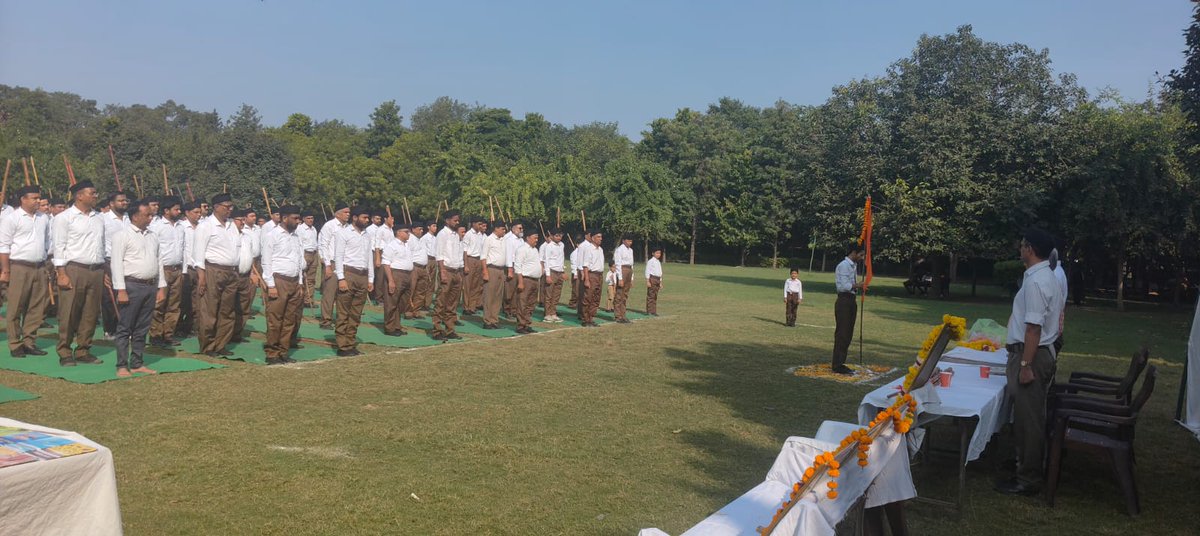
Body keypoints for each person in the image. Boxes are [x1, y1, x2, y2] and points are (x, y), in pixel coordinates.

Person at [995, 228, 1065, 496]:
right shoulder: (1044, 276)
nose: (1020, 248)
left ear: (1031, 249)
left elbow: (1034, 328)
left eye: (1022, 244)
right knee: (1026, 416)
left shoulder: (1037, 281)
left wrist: (1025, 366)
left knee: (1029, 419)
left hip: (1031, 355)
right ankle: (1023, 465)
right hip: (1033, 352)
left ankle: (1029, 478)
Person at [52, 180, 107, 366]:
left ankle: (84, 349)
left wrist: (104, 270)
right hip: (74, 269)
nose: (95, 196)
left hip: (96, 270)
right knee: (69, 311)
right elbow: (59, 247)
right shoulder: (64, 218)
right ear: (79, 195)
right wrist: (61, 273)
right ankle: (65, 351)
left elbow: (102, 246)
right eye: (92, 193)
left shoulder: (99, 218)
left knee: (91, 312)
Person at [110, 199, 166, 377]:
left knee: (142, 327)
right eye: (147, 215)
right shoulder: (122, 236)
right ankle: (121, 364)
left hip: (150, 286)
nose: (150, 218)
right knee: (125, 327)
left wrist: (161, 286)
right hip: (131, 285)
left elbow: (159, 261)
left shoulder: (153, 235)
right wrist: (121, 289)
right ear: (135, 216)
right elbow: (116, 263)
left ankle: (137, 363)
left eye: (151, 215)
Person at [0, 185, 51, 357]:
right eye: (34, 198)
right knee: (15, 307)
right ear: (23, 199)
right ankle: (15, 344)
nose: (38, 201)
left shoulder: (43, 218)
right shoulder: (12, 218)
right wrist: (6, 270)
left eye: (39, 198)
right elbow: (4, 246)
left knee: (36, 307)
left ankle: (29, 342)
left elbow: (47, 241)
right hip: (19, 267)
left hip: (39, 266)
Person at [194, 193, 242, 357]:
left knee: (227, 310)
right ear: (216, 207)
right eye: (226, 207)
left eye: (231, 206)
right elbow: (198, 254)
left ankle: (221, 344)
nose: (229, 210)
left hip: (231, 272)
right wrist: (201, 277)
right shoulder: (206, 226)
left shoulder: (232, 225)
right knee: (209, 310)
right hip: (212, 270)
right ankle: (208, 346)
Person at [261, 205, 305, 365]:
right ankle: (272, 352)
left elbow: (299, 260)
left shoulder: (296, 236)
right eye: (295, 218)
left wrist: (300, 282)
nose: (298, 221)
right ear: (284, 218)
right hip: (278, 280)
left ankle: (283, 351)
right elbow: (266, 261)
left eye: (298, 218)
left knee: (289, 319)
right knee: (275, 318)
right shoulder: (272, 235)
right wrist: (270, 285)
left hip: (294, 281)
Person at [332, 206, 374, 356]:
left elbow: (369, 256)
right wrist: (341, 278)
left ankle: (350, 343)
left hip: (362, 275)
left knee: (356, 313)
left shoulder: (367, 235)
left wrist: (370, 278)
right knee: (344, 312)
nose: (367, 220)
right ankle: (342, 346)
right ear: (355, 218)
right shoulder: (343, 233)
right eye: (364, 217)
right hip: (349, 273)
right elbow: (338, 256)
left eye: (368, 218)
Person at [149, 196, 186, 347]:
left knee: (174, 304)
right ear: (166, 211)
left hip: (177, 269)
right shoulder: (156, 227)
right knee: (159, 304)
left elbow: (184, 249)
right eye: (176, 209)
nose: (179, 212)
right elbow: (153, 250)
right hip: (162, 269)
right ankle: (156, 335)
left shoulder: (180, 227)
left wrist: (183, 271)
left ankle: (168, 334)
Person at [101, 190, 130, 339]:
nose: (124, 203)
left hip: (128, 261)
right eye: (120, 201)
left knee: (127, 295)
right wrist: (104, 267)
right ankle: (110, 329)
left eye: (125, 200)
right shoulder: (103, 219)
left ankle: (124, 328)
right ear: (111, 204)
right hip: (110, 261)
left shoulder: (129, 219)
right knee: (109, 297)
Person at [831, 244, 864, 375]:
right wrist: (858, 285)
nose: (862, 258)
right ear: (854, 252)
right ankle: (837, 364)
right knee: (843, 333)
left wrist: (857, 287)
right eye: (861, 255)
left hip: (851, 300)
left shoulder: (853, 266)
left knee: (848, 333)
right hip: (844, 300)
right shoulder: (844, 265)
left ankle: (841, 361)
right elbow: (844, 286)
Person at [433, 211, 464, 340]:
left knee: (452, 302)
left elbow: (458, 252)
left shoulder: (456, 235)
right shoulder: (442, 234)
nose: (457, 223)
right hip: (446, 270)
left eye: (458, 220)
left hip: (456, 271)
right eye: (455, 220)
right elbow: (439, 254)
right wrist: (443, 272)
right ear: (447, 221)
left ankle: (450, 329)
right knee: (441, 301)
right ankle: (437, 330)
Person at [318, 204, 350, 329]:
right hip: (331, 262)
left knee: (343, 292)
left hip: (344, 263)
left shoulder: (348, 227)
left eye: (349, 212)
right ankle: (326, 320)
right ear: (337, 213)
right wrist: (327, 265)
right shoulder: (329, 226)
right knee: (329, 292)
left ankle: (341, 319)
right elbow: (323, 245)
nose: (348, 214)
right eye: (345, 212)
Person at [381, 222, 414, 336]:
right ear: (398, 232)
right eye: (406, 232)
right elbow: (386, 263)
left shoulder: (407, 245)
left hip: (407, 274)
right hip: (396, 274)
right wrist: (390, 280)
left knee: (402, 302)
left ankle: (397, 325)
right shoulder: (392, 245)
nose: (408, 234)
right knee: (391, 302)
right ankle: (389, 327)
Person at [177, 201, 203, 339]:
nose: (199, 215)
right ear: (187, 213)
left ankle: (191, 326)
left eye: (200, 212)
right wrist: (183, 270)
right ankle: (179, 327)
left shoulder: (202, 227)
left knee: (197, 300)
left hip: (198, 269)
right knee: (183, 300)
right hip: (186, 269)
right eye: (196, 212)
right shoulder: (182, 227)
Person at [480, 220, 508, 330]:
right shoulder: (489, 239)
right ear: (496, 229)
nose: (504, 231)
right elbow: (483, 257)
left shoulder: (504, 240)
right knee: (489, 295)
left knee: (498, 296)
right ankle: (487, 320)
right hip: (491, 269)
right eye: (502, 229)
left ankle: (494, 319)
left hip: (501, 270)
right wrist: (485, 272)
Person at [514, 229, 543, 334]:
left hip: (535, 280)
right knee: (523, 302)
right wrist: (521, 282)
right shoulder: (522, 249)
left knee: (531, 303)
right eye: (534, 238)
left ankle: (527, 323)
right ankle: (521, 325)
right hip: (526, 279)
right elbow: (518, 266)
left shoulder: (535, 249)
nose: (536, 240)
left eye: (537, 238)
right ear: (527, 238)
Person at [539, 228, 565, 323]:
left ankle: (553, 313)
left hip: (559, 272)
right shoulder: (549, 246)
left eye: (560, 235)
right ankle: (547, 314)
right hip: (552, 271)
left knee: (556, 294)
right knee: (549, 294)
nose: (559, 238)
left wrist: (563, 272)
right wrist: (548, 275)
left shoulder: (562, 245)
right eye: (557, 236)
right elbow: (547, 261)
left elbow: (561, 259)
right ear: (552, 236)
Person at [406, 221, 430, 319]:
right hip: (414, 267)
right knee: (411, 289)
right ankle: (407, 310)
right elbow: (408, 254)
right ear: (413, 230)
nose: (421, 231)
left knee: (420, 291)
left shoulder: (421, 240)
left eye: (422, 229)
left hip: (423, 268)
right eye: (419, 229)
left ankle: (416, 310)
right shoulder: (410, 239)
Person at [463, 216, 486, 314]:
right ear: (473, 224)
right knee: (468, 284)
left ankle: (472, 306)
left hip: (478, 260)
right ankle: (466, 306)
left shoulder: (480, 235)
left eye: (481, 224)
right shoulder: (468, 234)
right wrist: (466, 265)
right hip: (470, 259)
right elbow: (465, 250)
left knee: (476, 285)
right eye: (479, 224)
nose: (480, 226)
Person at [580, 231, 604, 326]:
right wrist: (586, 279)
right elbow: (585, 265)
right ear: (593, 238)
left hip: (599, 275)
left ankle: (591, 317)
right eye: (598, 237)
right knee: (588, 297)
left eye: (601, 237)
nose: (600, 239)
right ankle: (585, 319)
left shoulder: (600, 250)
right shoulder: (588, 249)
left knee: (596, 298)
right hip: (592, 275)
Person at [297, 211, 319, 308]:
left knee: (311, 279)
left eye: (312, 218)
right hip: (304, 253)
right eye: (308, 218)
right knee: (301, 277)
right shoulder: (300, 229)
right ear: (304, 219)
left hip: (313, 254)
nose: (311, 220)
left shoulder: (314, 229)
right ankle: (298, 299)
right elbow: (299, 244)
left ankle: (308, 300)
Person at [612, 234, 635, 323]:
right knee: (619, 294)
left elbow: (632, 264)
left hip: (629, 270)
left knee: (625, 294)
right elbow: (618, 264)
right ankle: (618, 316)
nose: (630, 242)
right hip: (622, 270)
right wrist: (620, 278)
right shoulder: (619, 250)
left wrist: (632, 277)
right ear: (623, 241)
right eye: (628, 241)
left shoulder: (631, 250)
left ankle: (623, 314)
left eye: (631, 241)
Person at [503, 222, 523, 317]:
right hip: (512, 265)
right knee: (509, 290)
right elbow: (509, 255)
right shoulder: (509, 239)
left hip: (519, 265)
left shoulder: (521, 240)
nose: (521, 230)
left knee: (517, 290)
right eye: (520, 228)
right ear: (513, 229)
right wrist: (510, 269)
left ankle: (514, 309)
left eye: (522, 228)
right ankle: (507, 310)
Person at [422, 219, 439, 311]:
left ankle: (427, 303)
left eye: (436, 226)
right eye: (433, 226)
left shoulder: (436, 238)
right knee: (425, 281)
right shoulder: (425, 238)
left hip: (434, 260)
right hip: (427, 259)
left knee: (432, 282)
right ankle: (422, 302)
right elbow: (423, 250)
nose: (435, 228)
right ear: (428, 227)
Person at [645, 246, 663, 316]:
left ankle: (653, 311)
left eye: (659, 253)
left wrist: (661, 282)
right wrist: (648, 281)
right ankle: (649, 310)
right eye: (657, 253)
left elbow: (660, 272)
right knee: (650, 295)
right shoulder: (650, 261)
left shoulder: (658, 262)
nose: (658, 254)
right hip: (652, 278)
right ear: (653, 253)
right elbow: (647, 271)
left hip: (657, 279)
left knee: (655, 296)